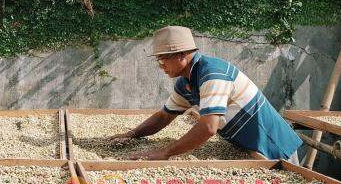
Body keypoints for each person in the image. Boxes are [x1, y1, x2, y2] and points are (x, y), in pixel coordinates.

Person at [110, 26, 302, 162]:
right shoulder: (186, 82)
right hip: (248, 146)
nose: (161, 67)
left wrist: (166, 152)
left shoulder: (212, 74)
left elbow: (209, 127)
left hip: (273, 147)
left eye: (163, 60)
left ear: (181, 55)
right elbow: (164, 116)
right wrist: (132, 134)